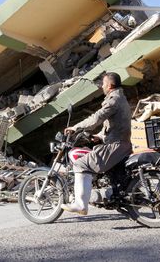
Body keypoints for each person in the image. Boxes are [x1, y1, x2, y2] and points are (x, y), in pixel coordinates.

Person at [61, 72, 132, 215]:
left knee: (80, 164)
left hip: (115, 145)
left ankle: (81, 205)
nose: (102, 87)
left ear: (110, 85)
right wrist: (99, 136)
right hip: (121, 143)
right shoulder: (121, 98)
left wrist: (75, 127)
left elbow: (96, 118)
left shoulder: (113, 100)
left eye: (103, 84)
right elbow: (113, 125)